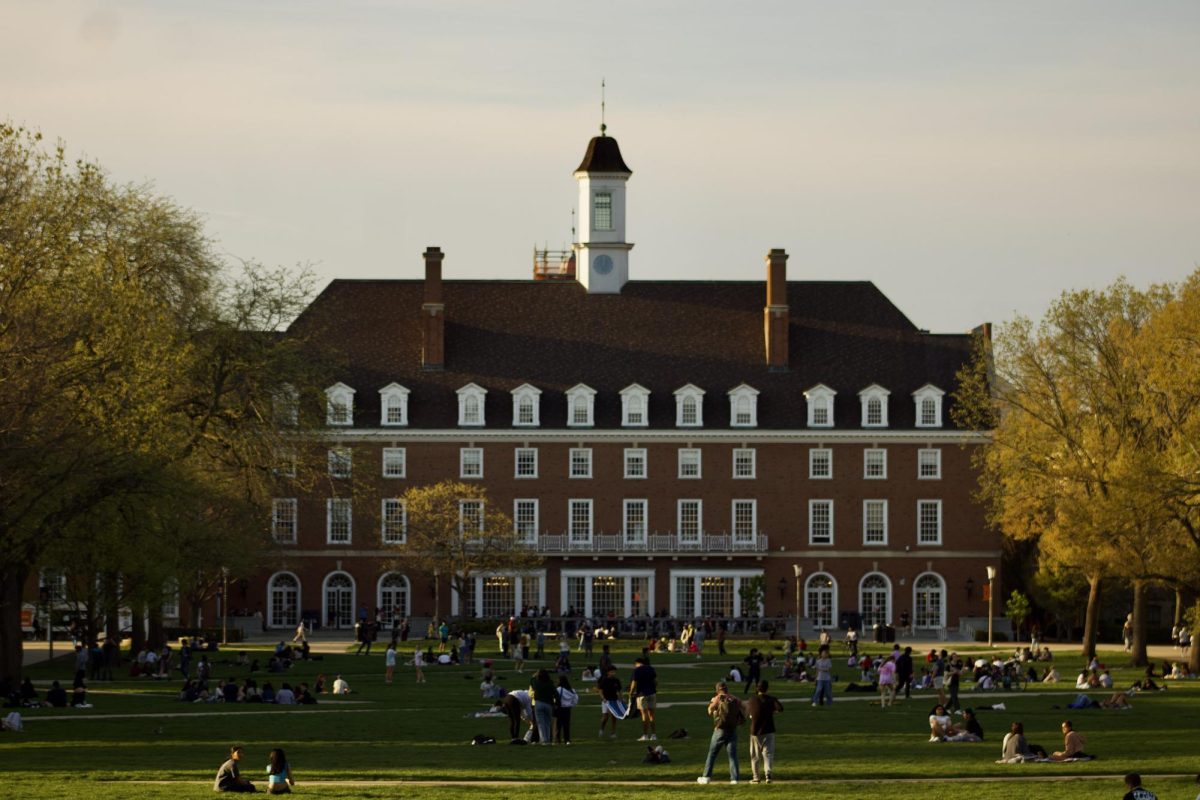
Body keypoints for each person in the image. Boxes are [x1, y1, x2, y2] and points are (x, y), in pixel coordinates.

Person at [697, 681, 742, 785]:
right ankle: (734, 778)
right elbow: (743, 705)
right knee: (732, 755)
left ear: (717, 690)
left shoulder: (717, 698)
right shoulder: (733, 698)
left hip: (720, 729)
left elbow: (709, 710)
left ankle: (706, 776)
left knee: (712, 754)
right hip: (732, 729)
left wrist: (713, 705)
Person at [746, 680, 782, 784]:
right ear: (767, 689)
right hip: (769, 729)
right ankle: (768, 774)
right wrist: (771, 712)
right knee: (768, 753)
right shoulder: (771, 699)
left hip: (755, 731)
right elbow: (780, 708)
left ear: (757, 688)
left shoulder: (752, 699)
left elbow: (749, 712)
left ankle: (756, 777)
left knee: (755, 755)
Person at [628, 656, 658, 741]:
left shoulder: (637, 670)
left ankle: (645, 735)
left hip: (642, 694)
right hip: (652, 693)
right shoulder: (651, 669)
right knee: (651, 715)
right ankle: (654, 735)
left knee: (644, 715)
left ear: (636, 663)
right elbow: (656, 681)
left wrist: (631, 693)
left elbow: (634, 683)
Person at [529, 668, 558, 745]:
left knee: (540, 723)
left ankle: (543, 740)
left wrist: (535, 675)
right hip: (548, 704)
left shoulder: (536, 683)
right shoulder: (550, 683)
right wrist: (557, 704)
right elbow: (556, 695)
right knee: (548, 723)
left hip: (538, 703)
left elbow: (531, 680)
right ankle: (548, 739)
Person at [596, 665, 625, 739]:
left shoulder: (616, 680)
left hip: (614, 700)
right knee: (605, 717)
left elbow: (619, 690)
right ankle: (601, 729)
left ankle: (613, 733)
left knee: (614, 716)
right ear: (608, 672)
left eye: (614, 672)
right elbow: (600, 690)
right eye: (612, 672)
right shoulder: (604, 680)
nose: (613, 673)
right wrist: (603, 698)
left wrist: (622, 698)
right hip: (606, 701)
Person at [555, 675, 578, 745]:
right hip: (568, 709)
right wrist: (571, 705)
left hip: (560, 708)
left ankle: (558, 739)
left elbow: (556, 698)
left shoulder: (559, 689)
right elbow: (575, 699)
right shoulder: (572, 690)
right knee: (566, 725)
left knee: (558, 724)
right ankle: (567, 740)